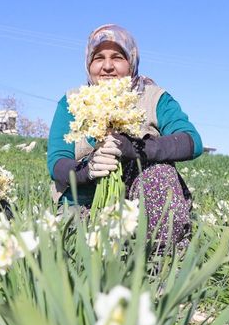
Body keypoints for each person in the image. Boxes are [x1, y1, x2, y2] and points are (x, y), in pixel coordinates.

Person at [47, 24, 203, 248]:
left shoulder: (153, 98)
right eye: (98, 57)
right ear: (89, 64)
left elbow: (192, 142)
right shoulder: (72, 101)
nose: (107, 66)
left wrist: (137, 149)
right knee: (81, 251)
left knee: (159, 171)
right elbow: (56, 162)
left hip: (141, 207)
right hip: (82, 205)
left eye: (118, 57)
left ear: (132, 62)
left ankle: (160, 254)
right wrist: (87, 171)